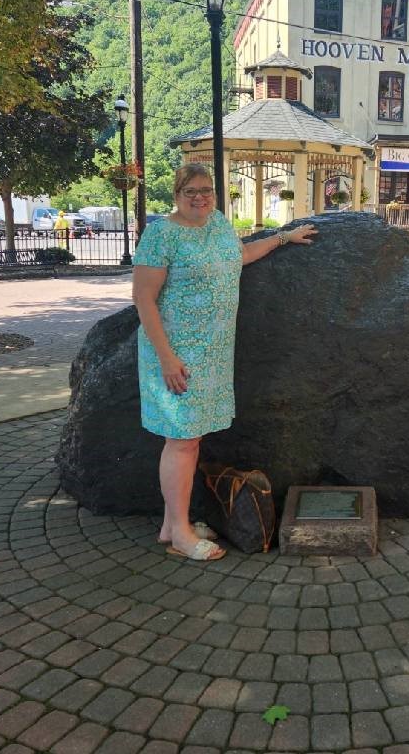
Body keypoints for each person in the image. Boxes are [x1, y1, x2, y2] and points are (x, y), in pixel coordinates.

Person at [132, 163, 317, 561]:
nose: (199, 197)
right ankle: (181, 533)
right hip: (177, 354)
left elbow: (241, 255)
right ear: (176, 194)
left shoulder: (217, 224)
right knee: (181, 441)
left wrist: (284, 238)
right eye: (189, 191)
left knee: (190, 440)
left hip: (212, 353)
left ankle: (171, 524)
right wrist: (166, 358)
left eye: (206, 190)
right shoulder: (161, 234)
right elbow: (144, 298)